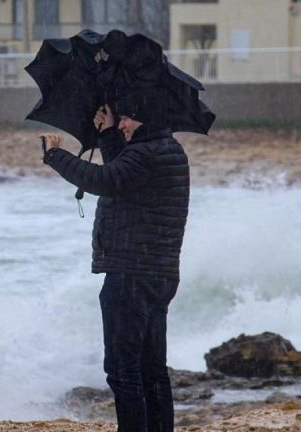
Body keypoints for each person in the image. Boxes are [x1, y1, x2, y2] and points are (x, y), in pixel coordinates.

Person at [39, 97, 189, 432]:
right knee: (152, 370)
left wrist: (55, 155)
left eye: (127, 120)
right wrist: (107, 135)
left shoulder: (145, 154)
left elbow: (105, 180)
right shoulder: (167, 150)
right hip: (159, 273)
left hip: (130, 274)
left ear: (145, 119)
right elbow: (123, 175)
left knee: (123, 371)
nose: (122, 125)